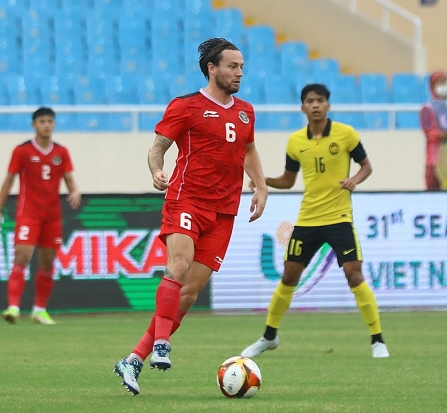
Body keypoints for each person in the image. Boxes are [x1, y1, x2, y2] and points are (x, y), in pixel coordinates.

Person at [113, 38, 268, 396]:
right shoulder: (186, 106)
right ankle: (162, 343)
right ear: (212, 68)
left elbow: (248, 149)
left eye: (242, 66)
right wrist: (157, 171)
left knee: (189, 293)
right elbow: (157, 148)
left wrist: (260, 185)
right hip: (186, 200)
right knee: (178, 266)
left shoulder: (245, 111)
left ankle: (134, 358)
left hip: (224, 210)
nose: (239, 72)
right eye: (232, 66)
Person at [241, 83, 390, 360]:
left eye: (320, 100)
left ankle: (377, 340)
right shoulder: (296, 141)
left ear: (328, 105)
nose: (316, 105)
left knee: (354, 274)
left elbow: (366, 166)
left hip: (339, 218)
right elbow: (288, 180)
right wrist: (264, 180)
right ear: (303, 107)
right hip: (308, 219)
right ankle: (269, 337)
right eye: (310, 101)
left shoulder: (346, 134)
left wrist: (354, 180)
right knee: (289, 277)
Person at [0, 107, 81, 325]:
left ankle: (39, 310)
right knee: (22, 256)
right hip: (29, 213)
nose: (46, 125)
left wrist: (74, 191)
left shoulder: (61, 152)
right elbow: (9, 179)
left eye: (50, 121)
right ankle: (14, 307)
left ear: (54, 124)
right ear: (33, 125)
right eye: (42, 121)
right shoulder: (22, 151)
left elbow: (68, 177)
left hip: (52, 215)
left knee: (47, 262)